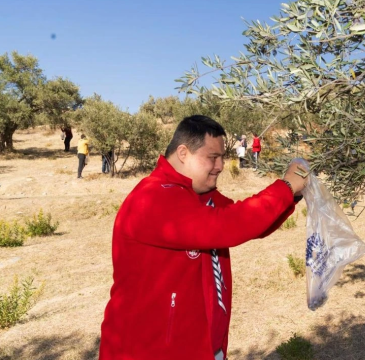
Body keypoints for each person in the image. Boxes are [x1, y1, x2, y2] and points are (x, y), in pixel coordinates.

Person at [99, 115, 308, 360]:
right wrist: (285, 186)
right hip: (147, 351)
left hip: (201, 348)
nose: (220, 166)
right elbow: (226, 226)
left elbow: (249, 224)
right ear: (183, 152)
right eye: (212, 157)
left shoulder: (200, 195)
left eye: (222, 157)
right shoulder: (153, 197)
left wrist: (290, 197)